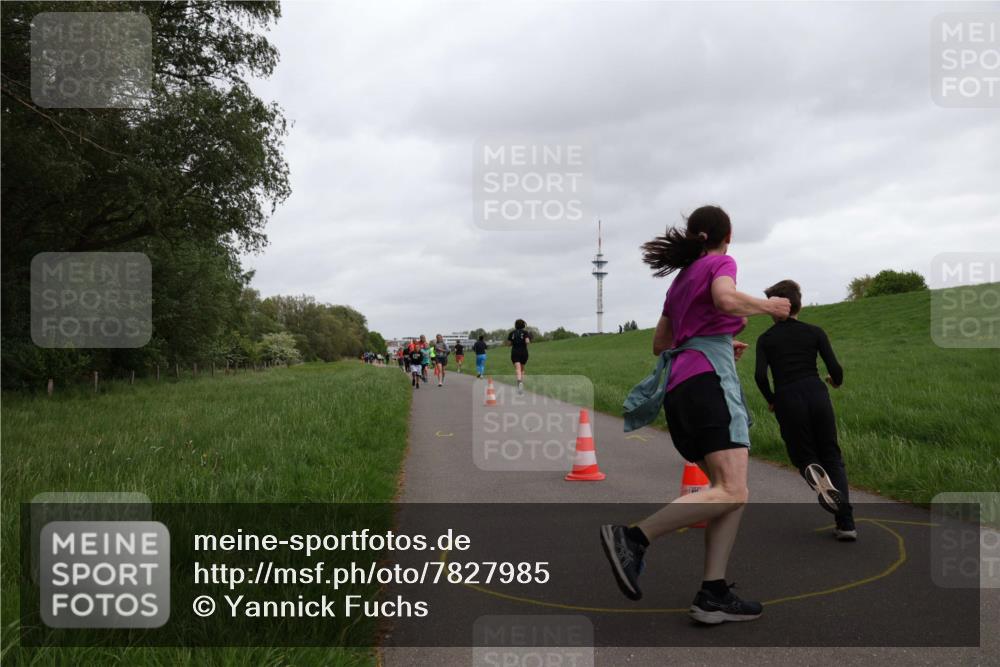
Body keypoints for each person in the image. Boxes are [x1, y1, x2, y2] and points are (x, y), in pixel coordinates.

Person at [599, 205, 791, 625]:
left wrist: (719, 340)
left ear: (692, 235)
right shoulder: (721, 261)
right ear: (729, 234)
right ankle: (633, 537)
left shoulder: (679, 282)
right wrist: (769, 306)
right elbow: (724, 298)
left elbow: (661, 342)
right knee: (734, 491)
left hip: (681, 386)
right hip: (707, 384)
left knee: (730, 490)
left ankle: (713, 593)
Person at [754, 280, 855, 540]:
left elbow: (760, 376)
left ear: (774, 308)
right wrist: (835, 382)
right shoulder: (815, 332)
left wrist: (772, 399)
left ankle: (811, 468)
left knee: (803, 455)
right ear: (799, 304)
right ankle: (846, 524)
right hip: (817, 393)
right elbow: (836, 368)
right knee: (832, 455)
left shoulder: (766, 339)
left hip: (788, 398)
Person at [507, 319, 531, 394]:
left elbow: (509, 344)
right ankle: (521, 384)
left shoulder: (511, 333)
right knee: (522, 368)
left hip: (515, 352)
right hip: (524, 352)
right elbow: (527, 341)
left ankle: (519, 382)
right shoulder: (525, 332)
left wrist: (514, 342)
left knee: (518, 368)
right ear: (523, 325)